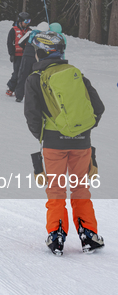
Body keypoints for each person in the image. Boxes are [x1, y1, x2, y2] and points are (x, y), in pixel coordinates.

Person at [23, 31, 105, 255]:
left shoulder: (35, 78)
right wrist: (82, 129)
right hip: (82, 143)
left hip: (53, 143)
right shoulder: (76, 74)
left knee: (56, 189)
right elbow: (98, 108)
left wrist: (43, 136)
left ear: (40, 53)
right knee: (81, 188)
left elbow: (31, 114)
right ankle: (89, 234)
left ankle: (56, 234)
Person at [6, 11, 31, 97]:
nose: (27, 23)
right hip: (17, 55)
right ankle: (11, 88)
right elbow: (9, 43)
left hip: (26, 55)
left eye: (29, 21)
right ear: (20, 21)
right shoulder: (13, 30)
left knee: (25, 73)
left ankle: (20, 90)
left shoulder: (29, 31)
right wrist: (11, 54)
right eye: (26, 21)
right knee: (17, 73)